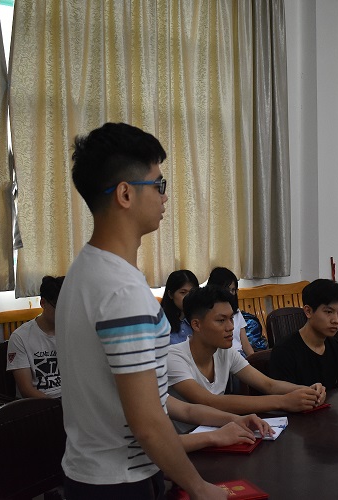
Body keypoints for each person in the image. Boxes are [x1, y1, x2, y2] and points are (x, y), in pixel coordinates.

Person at [56, 122, 233, 500]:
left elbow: (148, 397)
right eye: (158, 184)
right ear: (125, 194)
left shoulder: (84, 271)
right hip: (121, 483)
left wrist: (227, 421)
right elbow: (148, 423)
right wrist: (200, 488)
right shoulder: (122, 289)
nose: (165, 197)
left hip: (91, 473)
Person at [168, 286, 325, 414]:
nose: (231, 327)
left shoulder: (225, 352)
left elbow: (268, 385)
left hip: (217, 430)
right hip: (184, 439)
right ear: (196, 325)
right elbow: (209, 402)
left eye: (231, 318)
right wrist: (283, 401)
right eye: (221, 320)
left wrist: (308, 391)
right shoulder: (173, 357)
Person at [269, 279, 338, 389]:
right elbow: (283, 395)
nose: (336, 320)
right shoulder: (285, 351)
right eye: (328, 312)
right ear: (308, 311)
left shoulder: (336, 347)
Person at [7, 275, 64, 399]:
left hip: (70, 399)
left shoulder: (72, 331)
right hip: (39, 403)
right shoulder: (20, 337)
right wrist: (59, 405)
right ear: (43, 303)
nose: (64, 313)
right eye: (58, 307)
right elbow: (26, 390)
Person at [206, 267, 253, 356]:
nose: (230, 294)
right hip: (221, 356)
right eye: (227, 289)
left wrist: (255, 361)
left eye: (233, 290)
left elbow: (246, 344)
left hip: (240, 355)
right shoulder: (208, 312)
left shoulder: (236, 312)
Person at [161, 270, 199, 345]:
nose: (188, 297)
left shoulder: (201, 318)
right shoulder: (160, 321)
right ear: (170, 294)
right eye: (183, 292)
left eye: (192, 292)